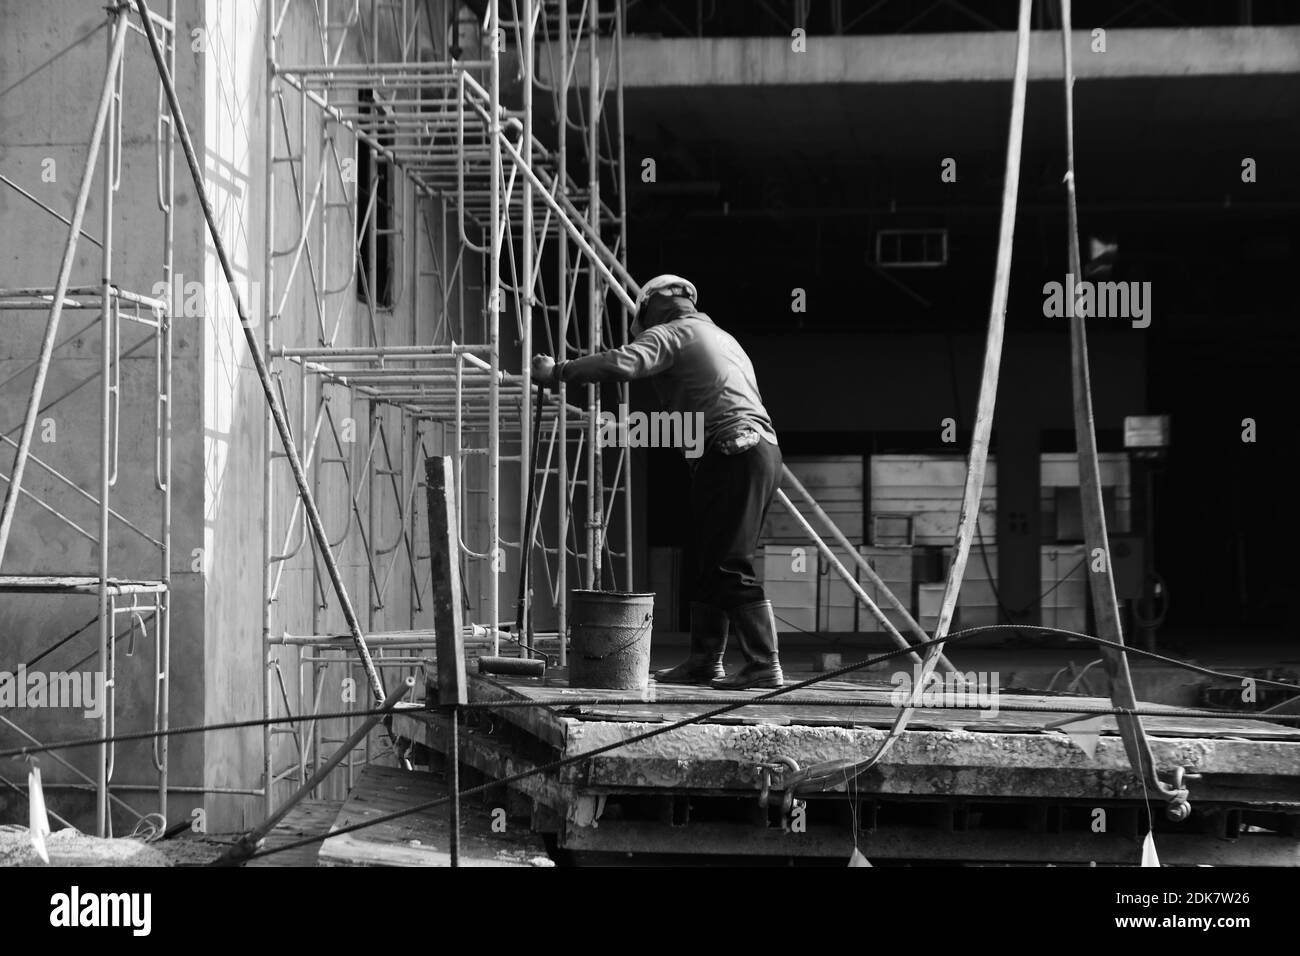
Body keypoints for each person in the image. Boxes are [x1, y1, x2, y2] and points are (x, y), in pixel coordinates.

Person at [531, 274, 784, 689]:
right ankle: (705, 661)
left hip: (734, 448)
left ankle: (763, 662)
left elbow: (623, 363)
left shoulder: (675, 333)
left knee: (727, 564)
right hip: (755, 450)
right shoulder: (721, 337)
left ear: (653, 306)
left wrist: (559, 371)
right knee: (709, 560)